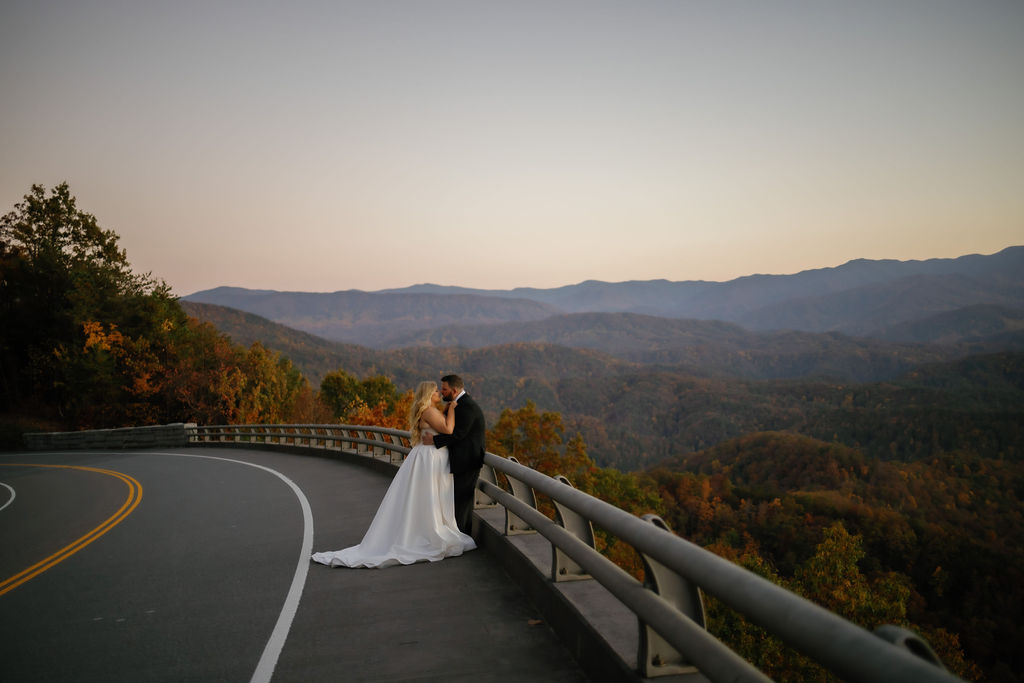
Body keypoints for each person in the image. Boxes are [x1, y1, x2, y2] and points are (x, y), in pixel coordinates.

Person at [310, 381, 476, 568]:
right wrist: (452, 409)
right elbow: (448, 429)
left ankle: (422, 528)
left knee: (424, 496)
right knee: (429, 495)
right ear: (429, 394)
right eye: (436, 391)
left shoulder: (429, 411)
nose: (439, 393)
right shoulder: (429, 411)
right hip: (430, 458)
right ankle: (429, 531)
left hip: (426, 456)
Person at [423, 374, 486, 534]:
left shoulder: (466, 406)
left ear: (455, 389)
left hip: (467, 461)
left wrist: (434, 441)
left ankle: (461, 535)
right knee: (458, 500)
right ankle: (460, 535)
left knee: (460, 501)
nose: (442, 392)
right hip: (461, 459)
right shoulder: (459, 404)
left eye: (444, 389)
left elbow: (458, 434)